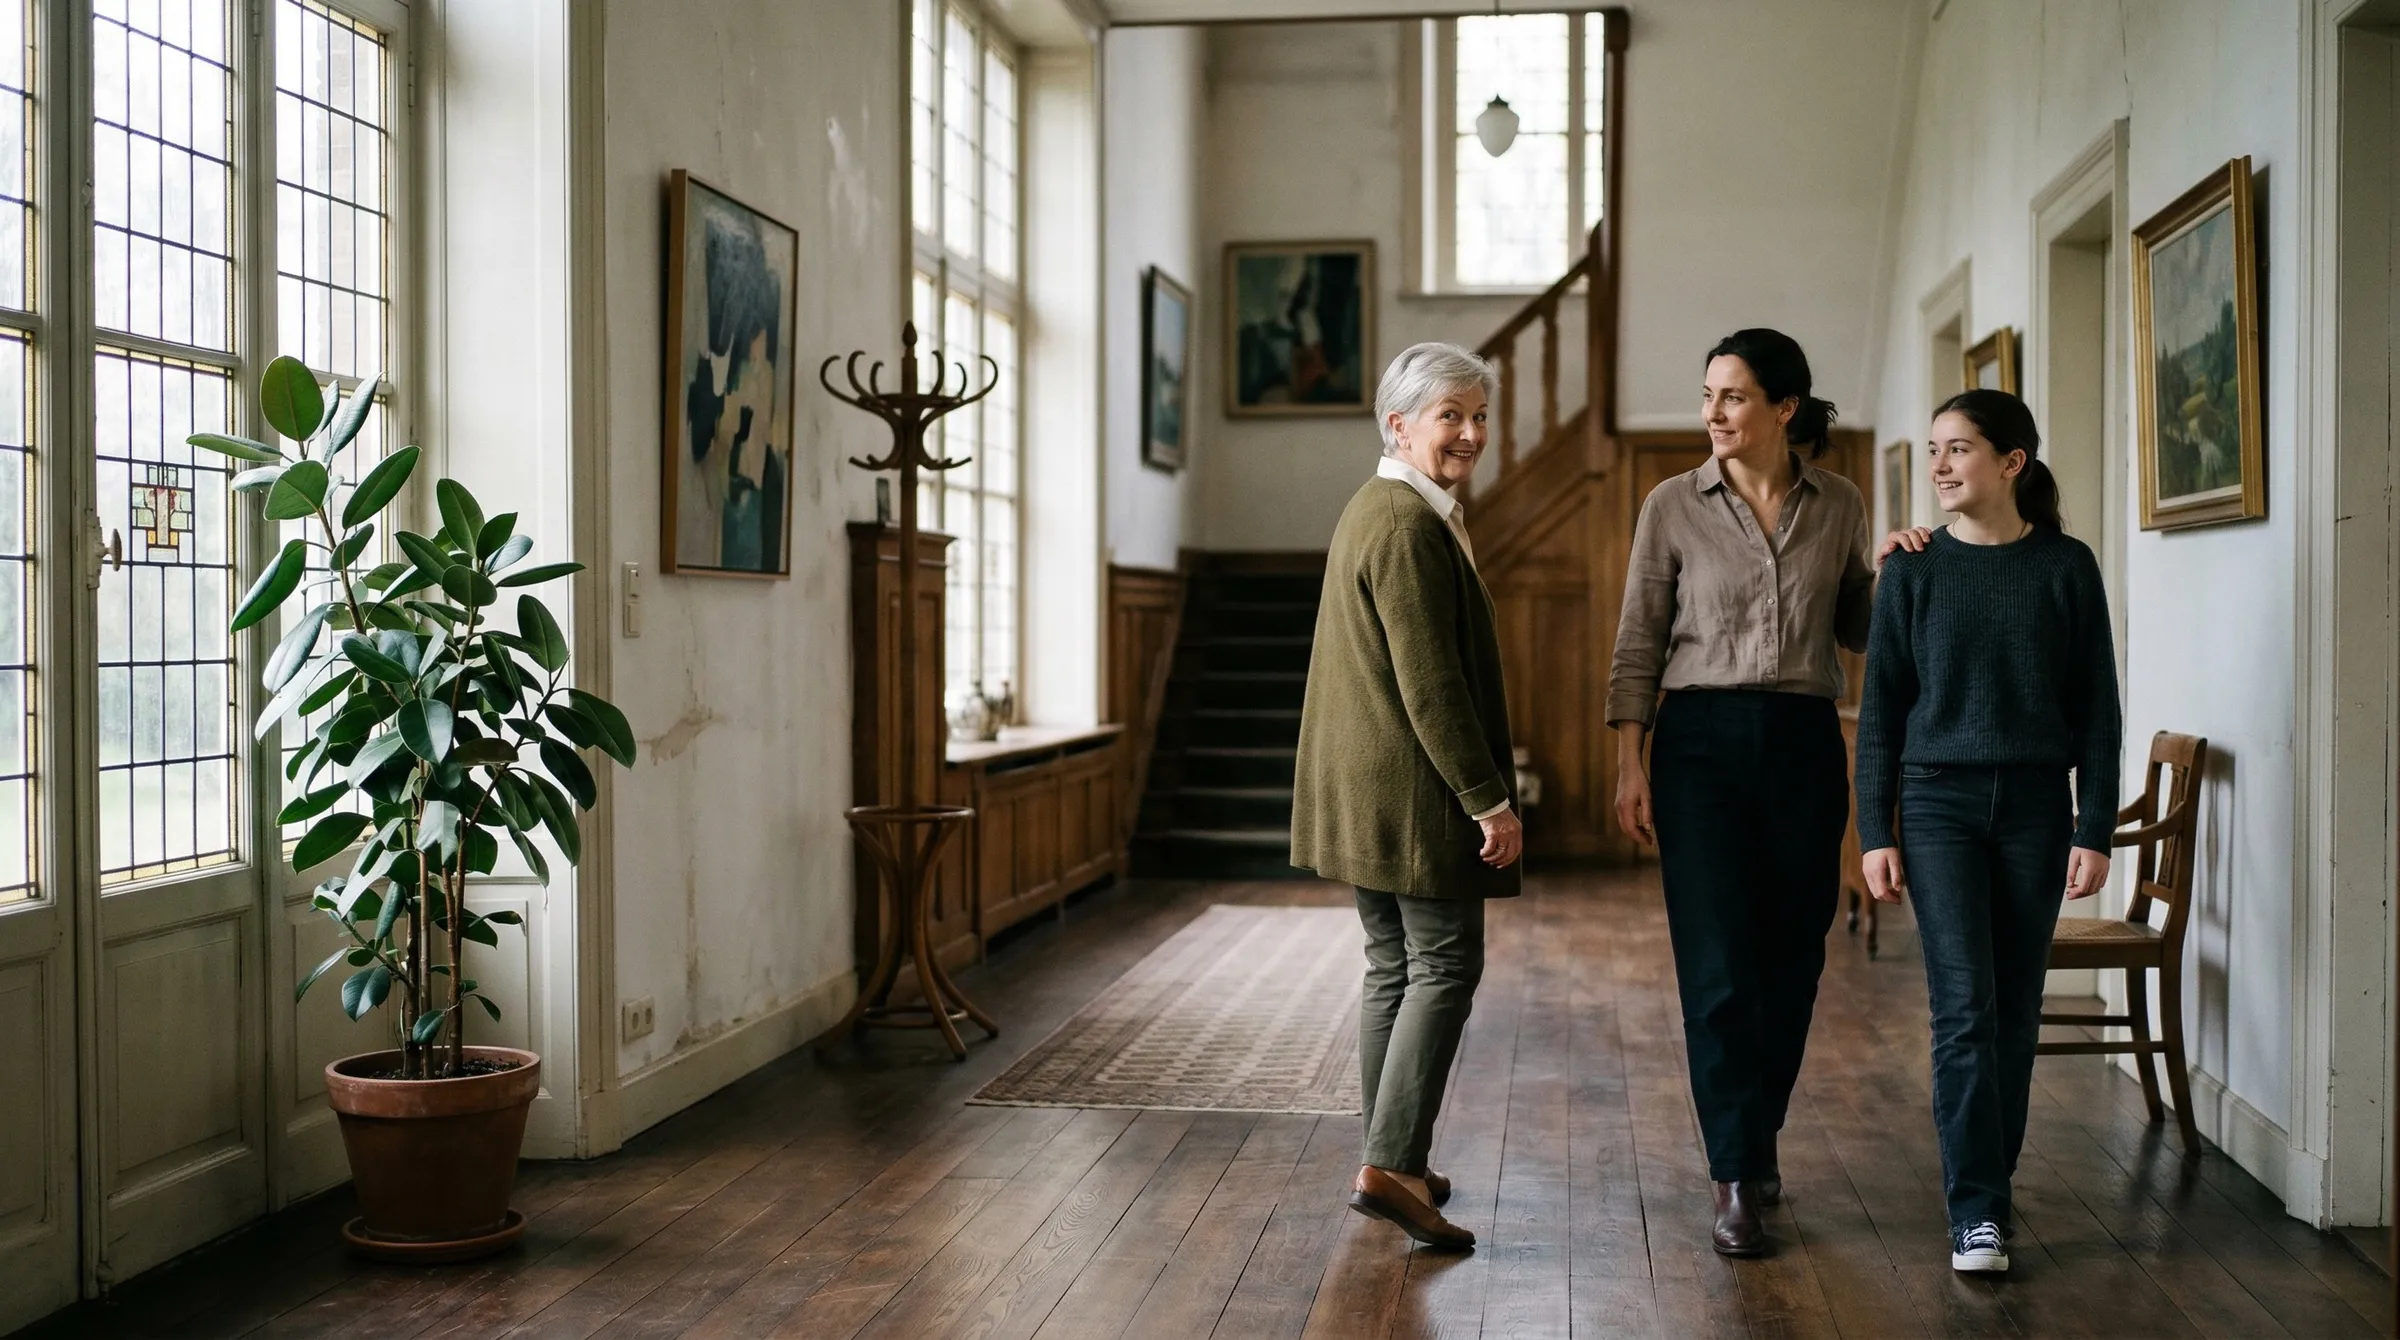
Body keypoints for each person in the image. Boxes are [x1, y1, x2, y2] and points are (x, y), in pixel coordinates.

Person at [1607, 329, 1874, 1257]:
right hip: (1700, 746)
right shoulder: (1671, 505)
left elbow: (1859, 622)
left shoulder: (1840, 503)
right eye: (1708, 395)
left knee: (1794, 959)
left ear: (1783, 408)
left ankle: (1757, 1136)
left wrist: (1915, 565)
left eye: (1733, 396)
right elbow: (1639, 639)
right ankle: (1733, 1174)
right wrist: (1631, 762)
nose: (1713, 413)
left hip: (1803, 740)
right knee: (1718, 964)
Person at [1857, 389, 2120, 1274]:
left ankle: (1987, 1189)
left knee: (2013, 1009)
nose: (1939, 465)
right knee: (1965, 1007)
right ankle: (1976, 1211)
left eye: (1958, 448)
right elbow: (1882, 713)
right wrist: (1875, 831)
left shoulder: (2067, 567)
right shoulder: (1912, 570)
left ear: (2011, 462)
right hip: (1938, 806)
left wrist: (2095, 827)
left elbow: (2098, 711)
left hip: (2039, 809)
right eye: (1933, 448)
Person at [1292, 341, 1524, 1251]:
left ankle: (1395, 1159)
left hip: (1374, 782)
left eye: (1478, 416)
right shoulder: (1403, 523)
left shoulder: (1384, 506)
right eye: (1449, 416)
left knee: (1394, 965)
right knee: (1443, 964)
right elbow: (1431, 685)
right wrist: (1488, 799)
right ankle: (1391, 1163)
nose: (1470, 433)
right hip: (1414, 787)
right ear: (1398, 424)